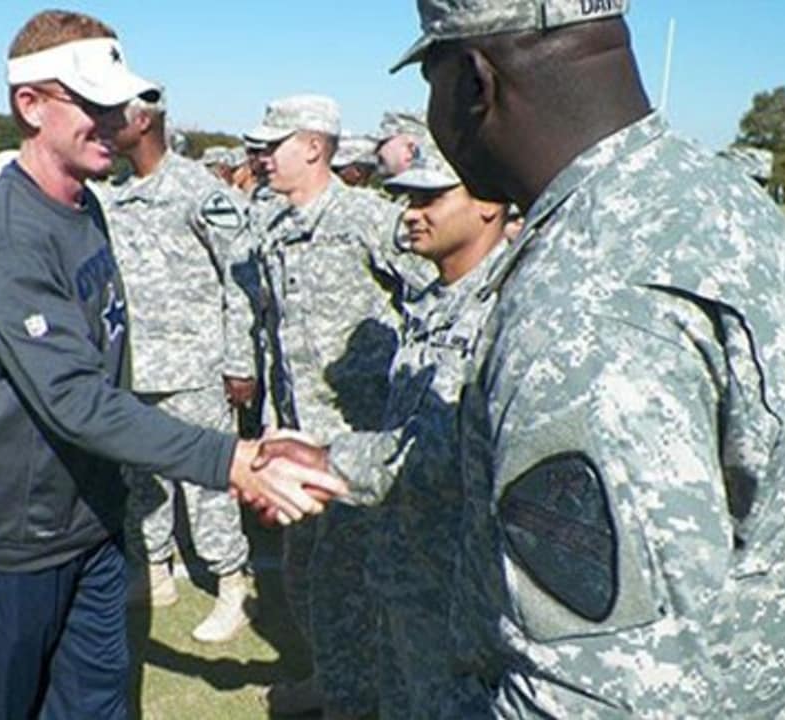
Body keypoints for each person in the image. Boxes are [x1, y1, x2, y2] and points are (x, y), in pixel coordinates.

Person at [389, 0, 785, 714]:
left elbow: (595, 696)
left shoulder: (585, 300)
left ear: (476, 82)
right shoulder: (709, 196)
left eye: (431, 76)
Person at [0, 11, 345, 718]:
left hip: (91, 519)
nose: (115, 117)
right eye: (90, 102)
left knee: (98, 705)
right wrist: (236, 459)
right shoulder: (9, 240)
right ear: (30, 106)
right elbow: (75, 400)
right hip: (13, 541)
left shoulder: (83, 203)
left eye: (118, 100)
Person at [252, 150, 507, 717]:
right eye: (408, 198)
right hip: (404, 563)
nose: (410, 214)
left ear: (489, 204)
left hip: (455, 587)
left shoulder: (502, 310)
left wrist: (323, 461)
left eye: (431, 199)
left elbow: (442, 448)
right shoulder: (435, 302)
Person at [245, 94, 426, 719]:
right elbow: (272, 332)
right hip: (299, 436)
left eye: (275, 145)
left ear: (314, 147)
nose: (263, 157)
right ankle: (333, 679)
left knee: (346, 585)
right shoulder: (272, 226)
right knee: (303, 581)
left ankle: (355, 699)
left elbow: (435, 290)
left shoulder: (366, 219)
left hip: (358, 438)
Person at [102, 88, 256, 643]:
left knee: (208, 479)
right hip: (135, 369)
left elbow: (242, 278)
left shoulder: (198, 189)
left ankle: (231, 585)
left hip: (195, 366)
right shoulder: (115, 193)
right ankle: (155, 569)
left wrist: (240, 361)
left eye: (111, 117)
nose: (100, 125)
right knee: (141, 478)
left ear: (142, 121)